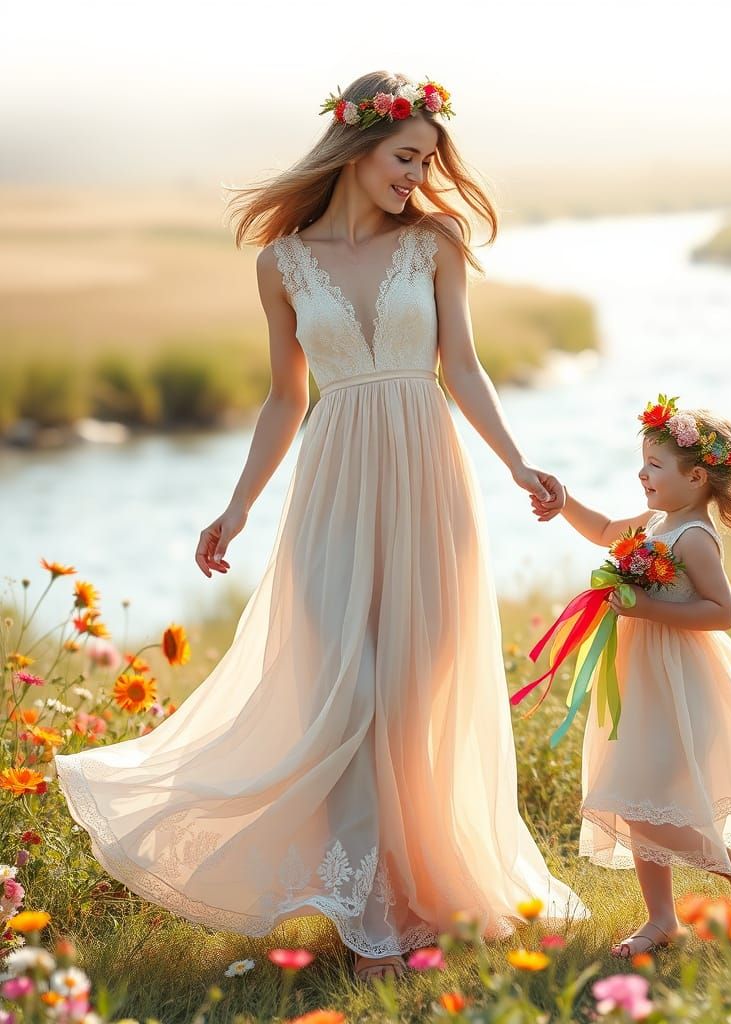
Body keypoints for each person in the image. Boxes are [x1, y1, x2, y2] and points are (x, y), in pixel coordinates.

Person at [54, 70, 588, 984]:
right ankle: (367, 919)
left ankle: (419, 893)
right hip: (333, 485)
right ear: (355, 146)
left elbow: (463, 365)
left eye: (427, 160)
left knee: (415, 690)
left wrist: (515, 460)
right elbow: (282, 397)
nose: (417, 176)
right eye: (403, 156)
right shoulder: (282, 264)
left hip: (429, 481)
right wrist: (238, 504)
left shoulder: (436, 243)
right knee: (341, 689)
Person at [530, 397, 731, 958]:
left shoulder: (695, 537)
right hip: (640, 679)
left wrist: (647, 609)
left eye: (655, 465)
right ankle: (661, 920)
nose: (642, 473)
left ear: (696, 476)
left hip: (680, 681)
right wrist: (564, 504)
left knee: (643, 804)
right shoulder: (659, 520)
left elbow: (720, 613)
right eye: (644, 462)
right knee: (638, 791)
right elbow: (606, 529)